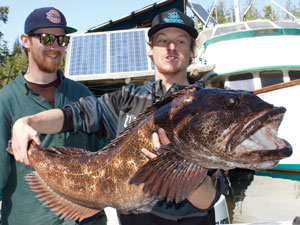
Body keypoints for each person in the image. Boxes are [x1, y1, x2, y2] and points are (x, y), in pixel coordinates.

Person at [11, 8, 224, 225]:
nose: (171, 48)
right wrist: (27, 122)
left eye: (181, 41)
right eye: (163, 41)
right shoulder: (126, 99)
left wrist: (175, 167)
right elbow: (72, 115)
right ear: (150, 50)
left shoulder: (208, 109)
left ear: (191, 51)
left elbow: (206, 200)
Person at [0, 7, 107, 225]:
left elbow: (105, 157)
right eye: (47, 38)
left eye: (62, 40)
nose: (55, 46)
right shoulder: (5, 102)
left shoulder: (83, 95)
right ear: (25, 41)